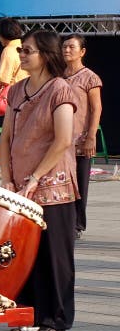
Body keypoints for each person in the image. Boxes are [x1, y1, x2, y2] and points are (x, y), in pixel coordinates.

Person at [0, 29, 77, 331]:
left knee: (53, 254)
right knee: (22, 253)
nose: (21, 55)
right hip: (20, 186)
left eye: (27, 51)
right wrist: (6, 177)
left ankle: (56, 318)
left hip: (52, 186)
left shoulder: (61, 89)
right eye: (21, 51)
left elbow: (62, 140)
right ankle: (26, 313)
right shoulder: (17, 90)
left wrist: (35, 178)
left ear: (45, 54)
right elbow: (6, 137)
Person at [62, 34, 102, 240]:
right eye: (64, 47)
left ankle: (77, 224)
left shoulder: (90, 78)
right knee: (62, 183)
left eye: (71, 47)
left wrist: (91, 137)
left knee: (80, 184)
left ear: (82, 52)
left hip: (80, 139)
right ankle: (63, 221)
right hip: (60, 141)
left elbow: (96, 109)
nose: (66, 50)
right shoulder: (57, 76)